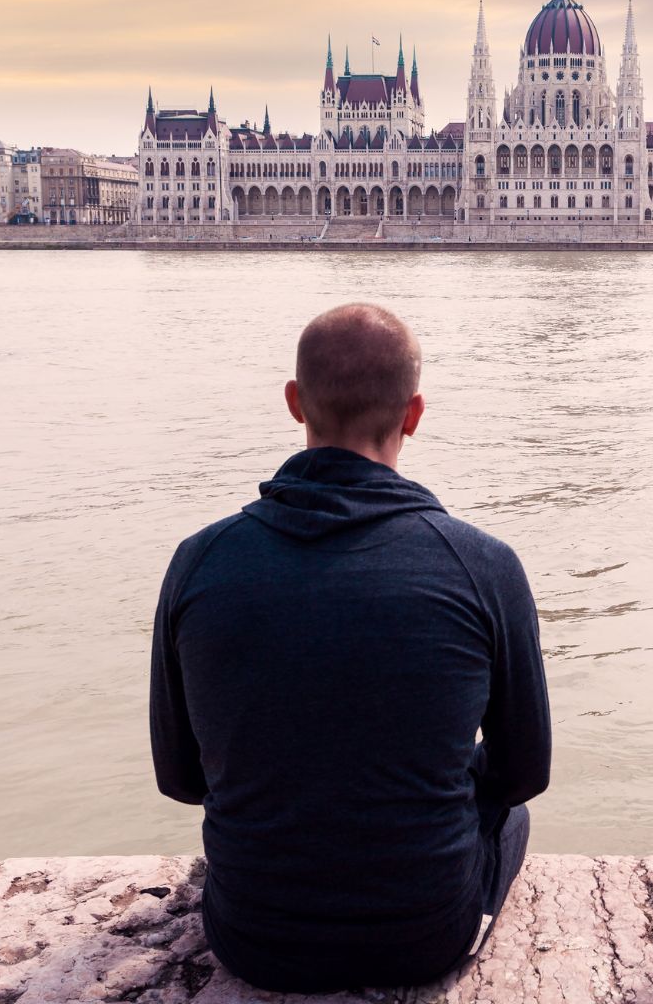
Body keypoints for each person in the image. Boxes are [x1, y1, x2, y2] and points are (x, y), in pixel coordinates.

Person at [150, 302, 551, 993]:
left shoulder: (200, 561)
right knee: (509, 814)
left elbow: (182, 779)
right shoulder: (483, 566)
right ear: (414, 414)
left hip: (252, 939)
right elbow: (523, 775)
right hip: (425, 939)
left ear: (294, 403)